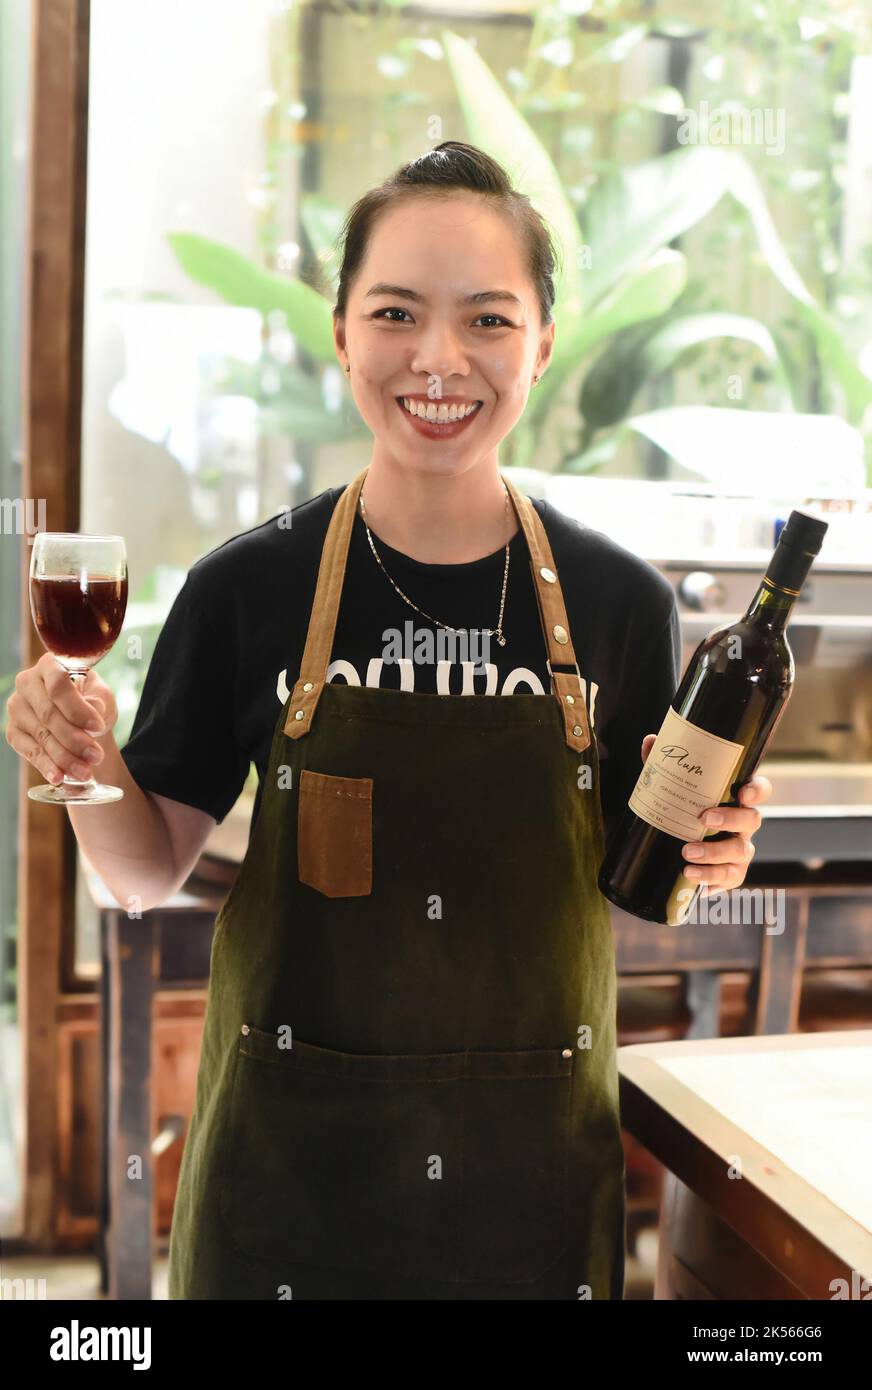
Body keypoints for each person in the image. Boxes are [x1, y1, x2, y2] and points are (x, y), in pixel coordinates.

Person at [6, 141, 769, 1300]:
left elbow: (640, 876)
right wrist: (87, 756)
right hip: (289, 1182)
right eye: (397, 312)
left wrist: (713, 853)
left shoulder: (621, 604)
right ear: (342, 334)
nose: (438, 358)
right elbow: (141, 873)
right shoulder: (247, 586)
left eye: (488, 320)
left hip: (528, 1189)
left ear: (543, 345)